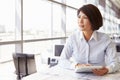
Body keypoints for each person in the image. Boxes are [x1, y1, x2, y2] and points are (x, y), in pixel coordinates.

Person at [59, 4, 119, 76]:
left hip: (99, 77)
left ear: (93, 20)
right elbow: (62, 60)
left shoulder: (105, 39)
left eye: (85, 17)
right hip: (77, 77)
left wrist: (107, 69)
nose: (80, 21)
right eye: (79, 17)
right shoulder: (72, 38)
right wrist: (76, 65)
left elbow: (115, 63)